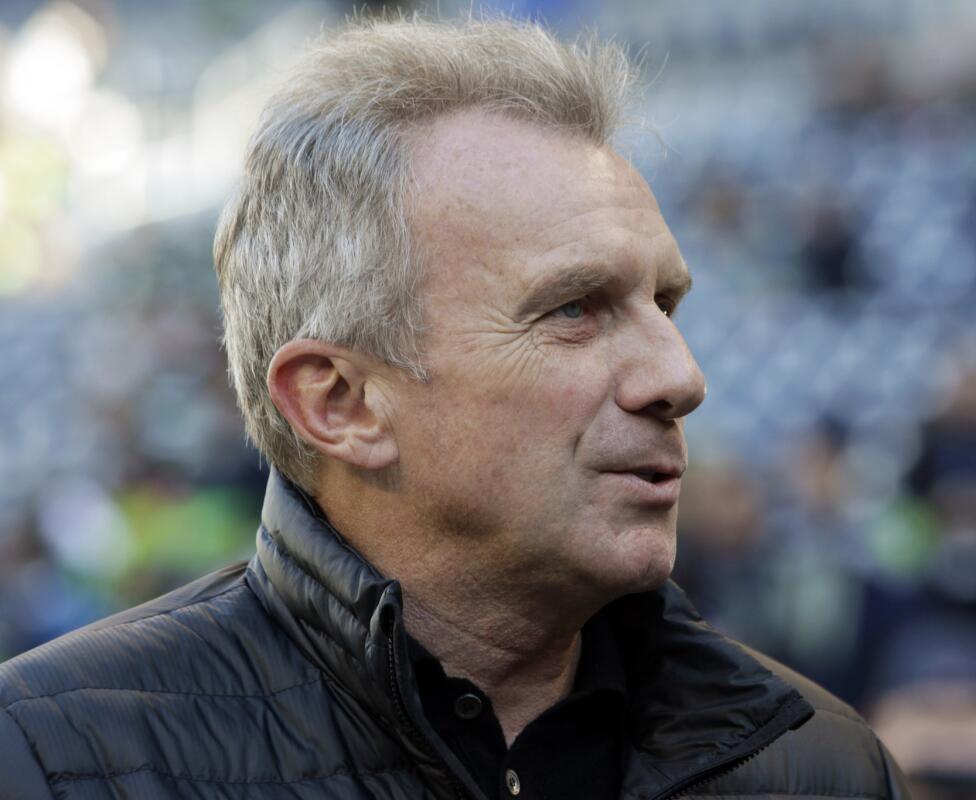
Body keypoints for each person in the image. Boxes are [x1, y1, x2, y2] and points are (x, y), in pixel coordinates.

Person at [0, 16, 909, 799]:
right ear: (342, 402)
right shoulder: (52, 760)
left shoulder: (815, 764)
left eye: (664, 305)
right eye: (573, 310)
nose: (680, 376)